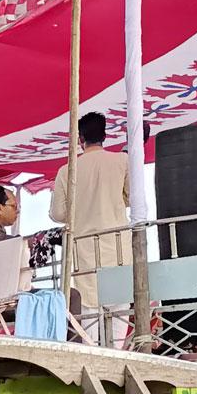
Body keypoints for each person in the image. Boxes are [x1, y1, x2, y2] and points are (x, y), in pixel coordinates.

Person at [49, 113, 130, 309]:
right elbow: (132, 198)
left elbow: (57, 213)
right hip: (117, 244)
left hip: (84, 247)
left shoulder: (66, 170)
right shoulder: (122, 160)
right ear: (105, 136)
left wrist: (80, 208)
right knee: (119, 308)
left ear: (80, 139)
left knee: (90, 313)